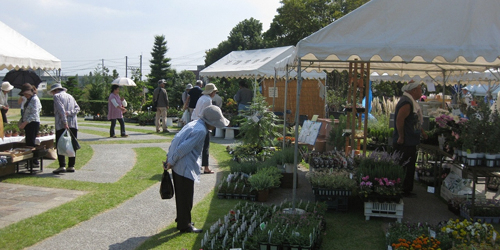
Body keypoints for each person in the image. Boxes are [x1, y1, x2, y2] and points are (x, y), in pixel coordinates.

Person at [164, 105, 229, 233]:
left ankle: (182, 219)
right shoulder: (201, 131)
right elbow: (183, 147)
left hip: (178, 165)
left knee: (182, 197)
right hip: (184, 166)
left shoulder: (194, 124)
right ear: (210, 122)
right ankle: (185, 225)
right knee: (186, 198)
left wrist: (169, 159)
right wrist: (171, 161)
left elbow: (177, 140)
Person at [393, 81, 427, 197]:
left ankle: (406, 188)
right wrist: (401, 136)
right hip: (406, 142)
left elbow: (414, 121)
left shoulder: (410, 102)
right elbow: (399, 120)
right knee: (405, 165)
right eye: (420, 89)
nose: (421, 92)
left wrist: (422, 131)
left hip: (410, 140)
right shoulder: (406, 103)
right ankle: (403, 189)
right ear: (413, 91)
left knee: (410, 165)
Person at [49, 83, 80, 174]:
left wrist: (65, 121)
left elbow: (60, 110)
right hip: (73, 123)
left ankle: (62, 165)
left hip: (61, 124)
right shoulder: (70, 96)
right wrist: (70, 112)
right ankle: (71, 165)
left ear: (55, 90)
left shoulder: (57, 96)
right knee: (72, 144)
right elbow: (77, 108)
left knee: (60, 144)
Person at [191, 83, 218, 174]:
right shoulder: (208, 100)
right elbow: (207, 113)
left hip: (195, 121)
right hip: (203, 123)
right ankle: (206, 167)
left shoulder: (201, 98)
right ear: (212, 92)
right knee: (205, 146)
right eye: (214, 92)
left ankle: (197, 164)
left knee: (197, 145)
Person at [18, 83, 42, 168]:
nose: (25, 95)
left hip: (33, 123)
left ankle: (34, 161)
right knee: (29, 142)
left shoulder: (34, 99)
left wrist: (25, 123)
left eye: (26, 94)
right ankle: (32, 161)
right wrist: (21, 121)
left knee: (31, 143)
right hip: (29, 123)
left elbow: (34, 114)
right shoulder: (29, 99)